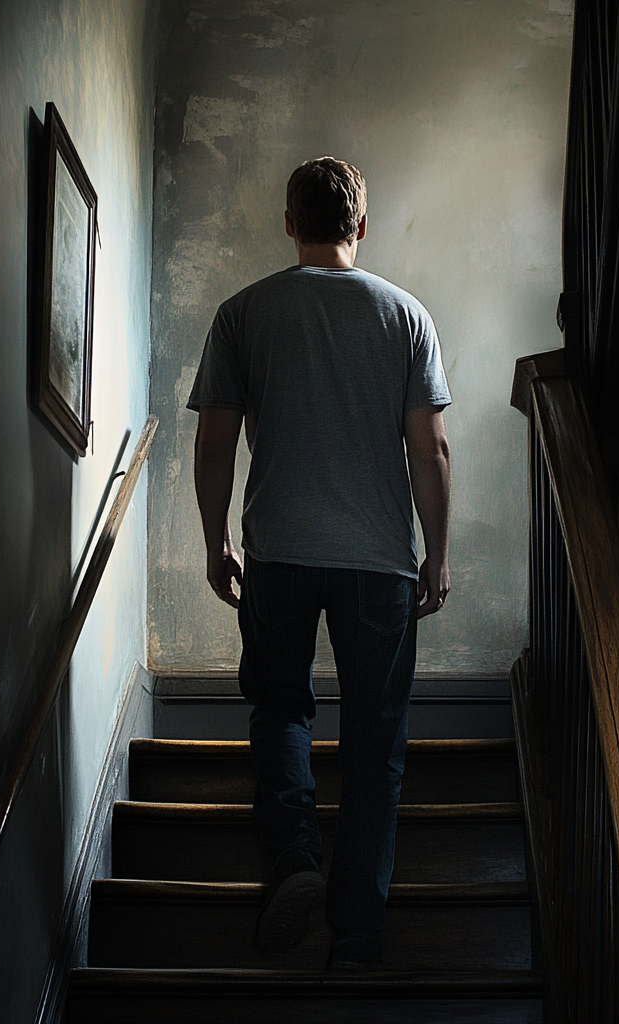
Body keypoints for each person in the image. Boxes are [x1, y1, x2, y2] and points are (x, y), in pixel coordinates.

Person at [188, 156, 452, 970]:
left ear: (290, 222)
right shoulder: (406, 316)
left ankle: (296, 861)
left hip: (280, 552)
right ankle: (358, 930)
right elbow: (430, 448)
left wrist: (215, 542)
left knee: (281, 709)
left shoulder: (243, 314)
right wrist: (436, 556)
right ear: (361, 227)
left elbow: (214, 441)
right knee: (377, 739)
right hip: (379, 562)